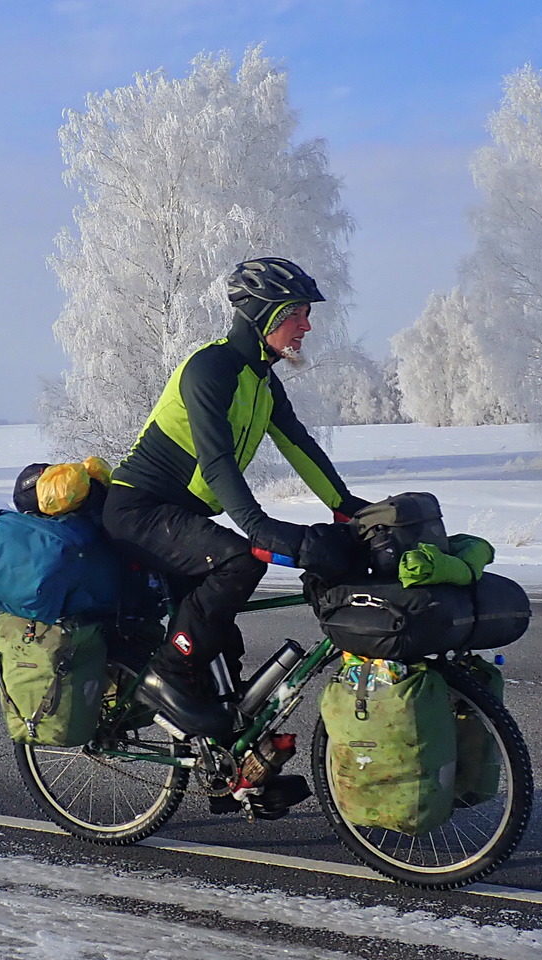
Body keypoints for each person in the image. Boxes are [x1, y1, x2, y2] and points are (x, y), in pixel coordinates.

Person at [102, 257, 367, 756]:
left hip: (181, 516)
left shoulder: (263, 381)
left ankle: (231, 766)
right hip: (138, 511)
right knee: (240, 560)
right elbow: (217, 459)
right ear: (265, 313)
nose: (307, 326)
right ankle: (166, 675)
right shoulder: (212, 369)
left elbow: (300, 447)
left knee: (222, 647)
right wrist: (257, 528)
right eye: (297, 314)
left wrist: (346, 505)